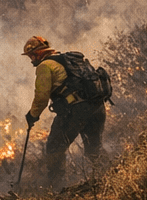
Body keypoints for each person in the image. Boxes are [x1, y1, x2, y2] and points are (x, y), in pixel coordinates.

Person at [22, 36, 105, 187]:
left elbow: (41, 97)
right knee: (94, 147)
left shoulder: (44, 66)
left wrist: (32, 116)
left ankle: (57, 187)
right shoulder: (67, 60)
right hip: (97, 105)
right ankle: (105, 178)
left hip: (75, 110)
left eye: (31, 56)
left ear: (37, 53)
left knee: (55, 147)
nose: (31, 60)